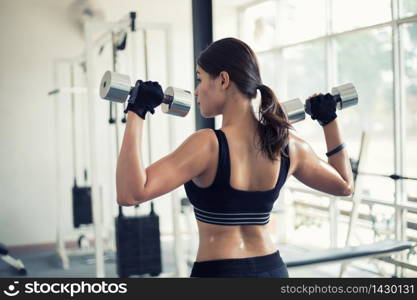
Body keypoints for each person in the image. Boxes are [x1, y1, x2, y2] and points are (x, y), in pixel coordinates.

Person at [116, 37, 354, 278]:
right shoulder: (288, 145)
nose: (197, 91)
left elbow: (130, 193)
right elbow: (345, 186)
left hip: (220, 273)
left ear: (223, 80)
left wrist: (137, 110)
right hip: (272, 270)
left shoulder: (206, 145)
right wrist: (329, 120)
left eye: (200, 78)